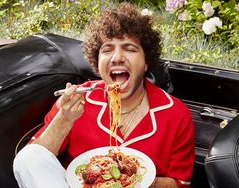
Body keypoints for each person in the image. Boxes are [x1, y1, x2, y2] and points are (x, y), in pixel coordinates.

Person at [13, 2, 195, 188]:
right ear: (97, 61)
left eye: (129, 48)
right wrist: (64, 120)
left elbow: (180, 183)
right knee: (28, 157)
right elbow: (33, 161)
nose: (117, 57)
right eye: (107, 49)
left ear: (146, 61)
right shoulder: (76, 101)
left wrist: (136, 181)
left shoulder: (176, 114)